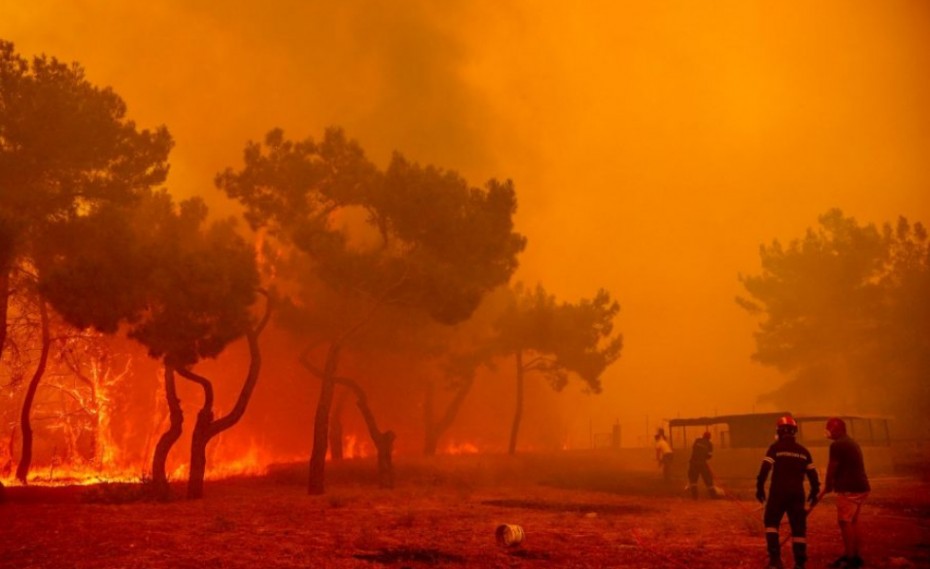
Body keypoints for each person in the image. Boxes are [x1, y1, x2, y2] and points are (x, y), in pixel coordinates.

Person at [756, 415, 820, 569]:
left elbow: (765, 468)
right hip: (797, 494)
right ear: (794, 432)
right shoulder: (803, 451)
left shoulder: (775, 448)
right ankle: (800, 563)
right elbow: (813, 474)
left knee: (771, 523)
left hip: (778, 492)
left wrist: (759, 487)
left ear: (778, 431)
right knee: (798, 528)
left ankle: (775, 561)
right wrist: (814, 491)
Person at [819, 417, 870, 569]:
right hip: (861, 487)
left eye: (829, 428)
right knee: (853, 521)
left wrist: (828, 485)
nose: (827, 431)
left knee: (844, 522)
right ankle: (855, 555)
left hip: (849, 489)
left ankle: (850, 559)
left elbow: (832, 466)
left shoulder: (837, 445)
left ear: (837, 429)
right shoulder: (851, 442)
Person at [687, 431, 715, 499]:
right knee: (708, 478)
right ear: (709, 437)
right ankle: (713, 495)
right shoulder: (709, 444)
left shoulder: (697, 440)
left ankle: (695, 497)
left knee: (693, 479)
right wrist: (703, 457)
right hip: (702, 463)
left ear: (703, 436)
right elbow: (709, 456)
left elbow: (694, 448)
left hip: (693, 462)